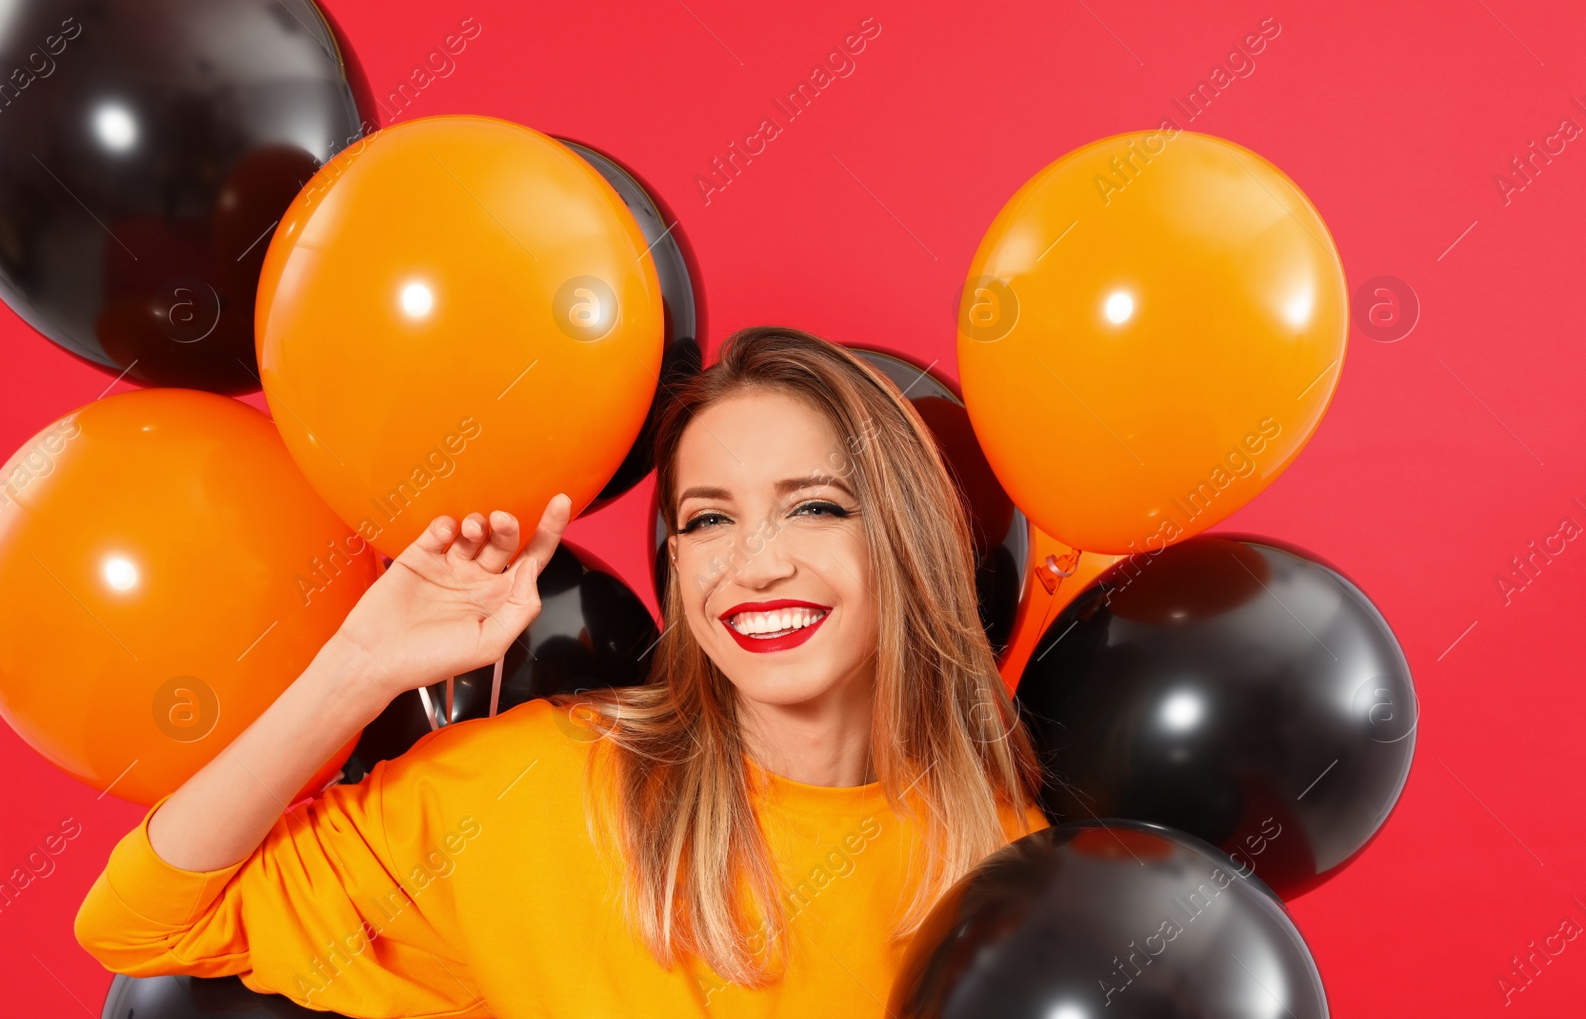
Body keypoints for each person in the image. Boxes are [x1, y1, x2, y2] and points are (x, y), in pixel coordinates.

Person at [73, 326, 1048, 1017]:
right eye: (708, 518)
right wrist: (357, 667)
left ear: (908, 539)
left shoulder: (1006, 859)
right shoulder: (536, 787)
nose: (755, 563)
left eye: (815, 507)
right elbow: (145, 919)